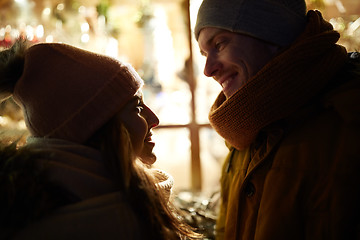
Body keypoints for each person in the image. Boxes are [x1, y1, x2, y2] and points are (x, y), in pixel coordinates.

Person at [0, 39, 200, 240]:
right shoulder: (122, 221)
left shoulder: (40, 211)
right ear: (97, 127)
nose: (154, 120)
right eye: (137, 108)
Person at [194, 0, 360, 239]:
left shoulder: (348, 122)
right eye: (204, 53)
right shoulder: (243, 133)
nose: (208, 70)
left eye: (220, 43)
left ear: (272, 34)